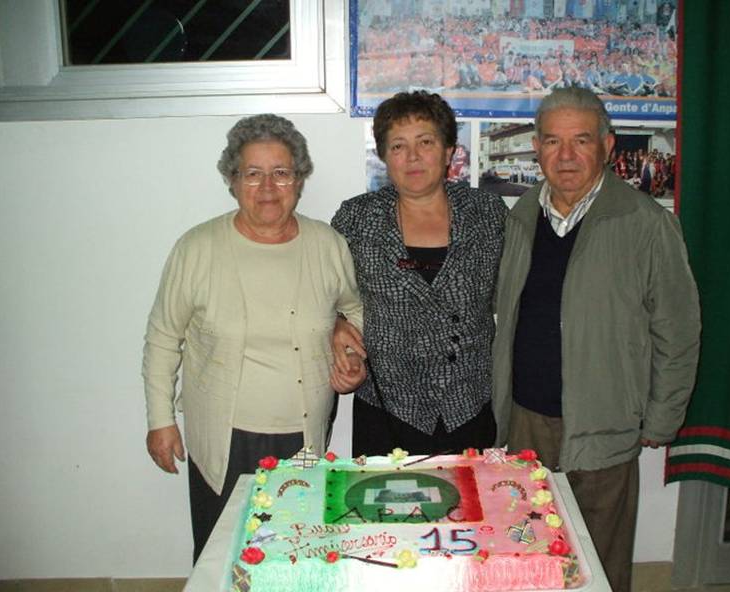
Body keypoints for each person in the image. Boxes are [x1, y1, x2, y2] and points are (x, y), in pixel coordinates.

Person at [491, 88, 700, 592]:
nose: (566, 155)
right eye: (553, 141)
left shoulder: (645, 223)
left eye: (581, 140)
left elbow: (678, 329)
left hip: (604, 425)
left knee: (597, 567)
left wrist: (662, 416)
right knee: (528, 555)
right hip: (525, 423)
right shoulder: (520, 218)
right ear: (536, 148)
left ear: (606, 146)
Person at [142, 114, 363, 563]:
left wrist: (349, 344)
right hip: (223, 438)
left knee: (292, 552)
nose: (267, 188)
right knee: (223, 555)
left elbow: (353, 308)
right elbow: (163, 338)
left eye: (281, 173)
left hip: (303, 437)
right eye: (252, 174)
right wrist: (160, 420)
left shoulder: (327, 245)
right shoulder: (197, 248)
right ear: (232, 179)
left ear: (299, 179)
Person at [332, 91, 508, 457]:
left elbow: (515, 292)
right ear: (384, 156)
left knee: (469, 496)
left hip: (469, 406)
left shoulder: (489, 214)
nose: (412, 156)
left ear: (448, 151)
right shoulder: (356, 218)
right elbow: (323, 293)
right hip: (386, 409)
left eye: (425, 142)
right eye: (398, 146)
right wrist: (336, 325)